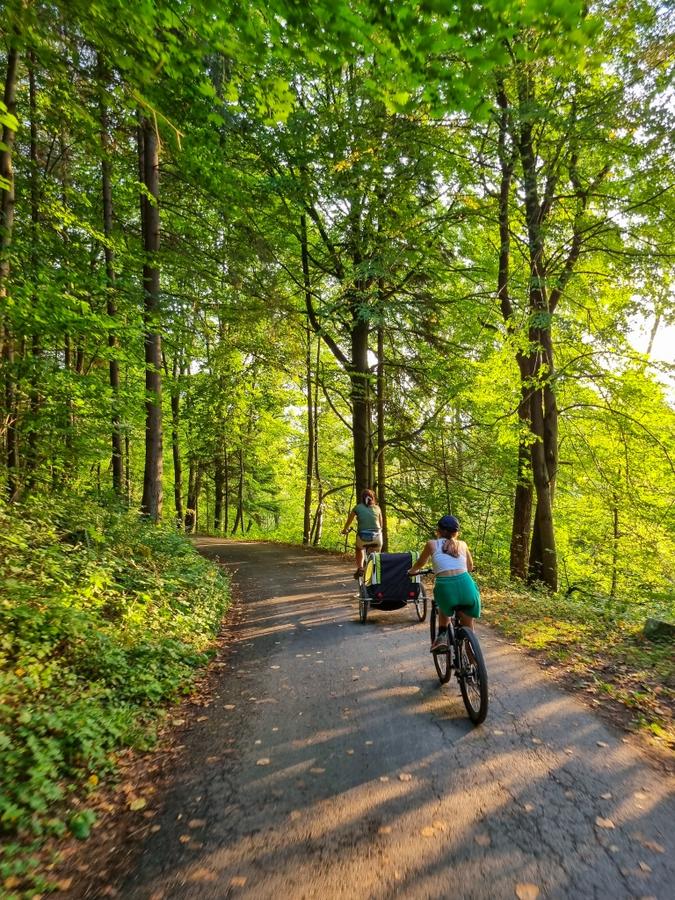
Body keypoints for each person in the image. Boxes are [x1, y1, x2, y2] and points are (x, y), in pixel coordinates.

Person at [408, 514, 480, 651]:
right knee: (469, 630)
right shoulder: (463, 545)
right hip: (467, 586)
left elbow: (420, 563)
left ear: (438, 530)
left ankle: (442, 636)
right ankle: (474, 666)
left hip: (446, 587)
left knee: (443, 605)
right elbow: (470, 567)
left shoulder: (431, 544)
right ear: (456, 532)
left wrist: (411, 571)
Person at [341, 489, 383, 578]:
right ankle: (375, 568)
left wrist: (345, 529)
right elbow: (381, 524)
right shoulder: (377, 508)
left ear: (362, 498)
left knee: (359, 549)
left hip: (363, 537)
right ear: (373, 498)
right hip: (377, 537)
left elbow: (349, 520)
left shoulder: (357, 507)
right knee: (376, 553)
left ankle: (360, 567)